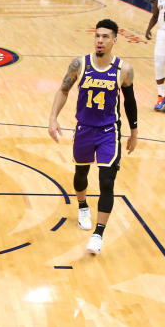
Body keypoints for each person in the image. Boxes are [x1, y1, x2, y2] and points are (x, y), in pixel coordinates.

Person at [48, 19, 139, 255]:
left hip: (109, 132)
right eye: (97, 36)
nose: (100, 40)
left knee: (107, 181)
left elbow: (129, 102)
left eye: (105, 36)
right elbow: (64, 89)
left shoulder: (124, 70)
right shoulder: (80, 64)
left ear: (115, 40)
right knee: (81, 175)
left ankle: (98, 233)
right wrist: (53, 118)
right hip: (84, 129)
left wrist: (134, 132)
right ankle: (82, 206)